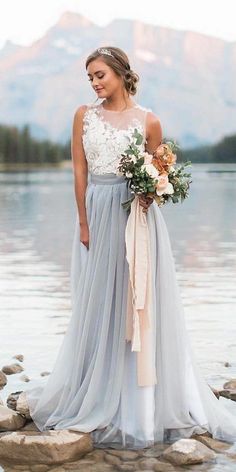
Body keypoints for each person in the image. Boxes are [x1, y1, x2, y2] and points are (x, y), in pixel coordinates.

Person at [25, 46, 236, 450]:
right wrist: (83, 221)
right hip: (98, 214)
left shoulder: (149, 121)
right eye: (90, 77)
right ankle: (97, 388)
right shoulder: (83, 116)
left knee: (137, 302)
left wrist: (150, 190)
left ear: (121, 73)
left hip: (137, 220)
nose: (94, 82)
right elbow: (80, 169)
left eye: (100, 74)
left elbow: (161, 175)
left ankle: (141, 400)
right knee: (100, 300)